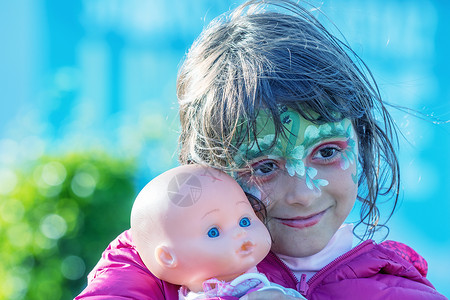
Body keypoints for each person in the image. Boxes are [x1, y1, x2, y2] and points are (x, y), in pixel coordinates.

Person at [76, 0, 447, 299]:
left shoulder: (398, 290)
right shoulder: (161, 262)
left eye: (328, 152)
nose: (303, 194)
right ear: (207, 167)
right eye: (264, 165)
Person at [130, 164, 305, 299]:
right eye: (213, 232)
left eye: (244, 221)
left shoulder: (266, 281)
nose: (240, 233)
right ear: (168, 257)